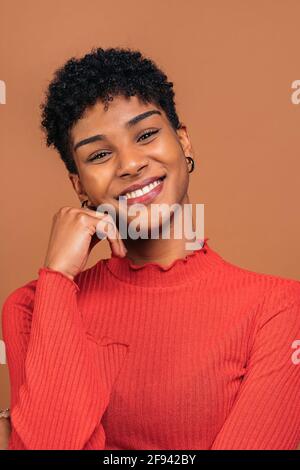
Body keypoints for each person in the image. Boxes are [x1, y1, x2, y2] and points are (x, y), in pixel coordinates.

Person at [1, 47, 300, 450]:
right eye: (100, 154)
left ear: (183, 142)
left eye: (145, 135)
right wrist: (58, 278)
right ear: (79, 186)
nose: (129, 163)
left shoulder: (278, 308)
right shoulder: (33, 308)